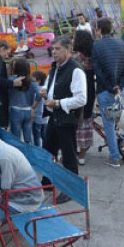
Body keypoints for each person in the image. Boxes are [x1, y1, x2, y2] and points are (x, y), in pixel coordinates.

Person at [41, 36, 87, 174]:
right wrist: (45, 90)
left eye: (57, 49)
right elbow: (51, 84)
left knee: (69, 157)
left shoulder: (76, 70)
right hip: (54, 118)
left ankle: (71, 190)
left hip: (67, 119)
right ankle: (47, 183)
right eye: (52, 49)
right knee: (48, 153)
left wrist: (58, 103)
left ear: (68, 50)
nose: (54, 52)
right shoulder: (55, 67)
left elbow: (81, 99)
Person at [92, 18, 124, 167]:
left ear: (99, 30)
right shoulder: (123, 45)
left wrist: (111, 86)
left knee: (109, 124)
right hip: (121, 89)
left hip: (105, 90)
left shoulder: (97, 47)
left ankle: (114, 157)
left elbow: (98, 71)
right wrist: (119, 85)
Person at [72, 30, 95, 165]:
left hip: (76, 89)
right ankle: (82, 153)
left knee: (75, 119)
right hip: (90, 89)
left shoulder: (75, 57)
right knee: (86, 119)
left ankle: (73, 149)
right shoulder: (92, 56)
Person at [7, 58, 40, 144]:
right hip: (28, 110)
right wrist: (34, 107)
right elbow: (39, 94)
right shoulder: (32, 81)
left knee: (16, 139)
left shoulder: (11, 80)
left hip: (15, 109)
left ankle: (18, 156)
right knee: (28, 138)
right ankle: (30, 155)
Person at [32, 71, 49, 147]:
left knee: (36, 138)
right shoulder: (46, 89)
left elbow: (33, 101)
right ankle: (46, 151)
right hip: (45, 118)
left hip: (37, 117)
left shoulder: (36, 90)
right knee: (45, 137)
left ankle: (38, 152)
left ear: (38, 80)